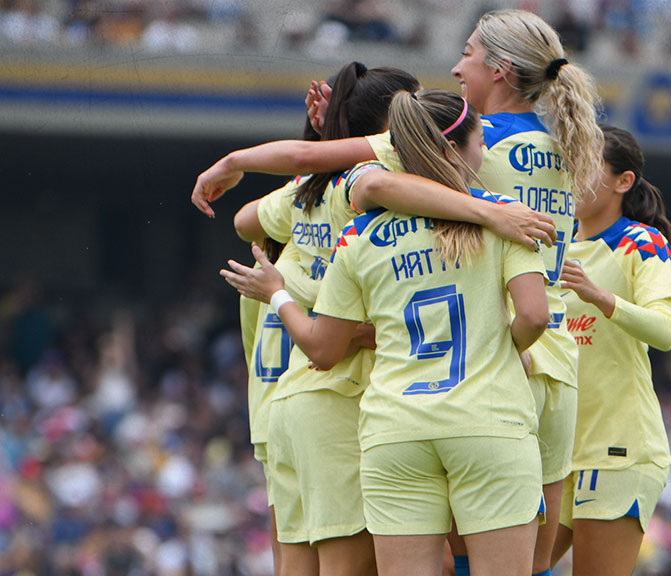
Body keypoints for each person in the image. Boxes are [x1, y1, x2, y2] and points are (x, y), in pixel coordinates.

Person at [191, 12, 604, 575]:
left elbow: (321, 168)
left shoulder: (458, 137)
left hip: (490, 368)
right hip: (557, 356)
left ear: (501, 71)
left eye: (468, 53)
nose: (456, 68)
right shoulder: (566, 146)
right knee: (529, 561)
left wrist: (235, 160)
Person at [221, 89, 549, 576]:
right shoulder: (505, 215)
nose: (485, 153)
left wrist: (278, 293)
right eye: (481, 141)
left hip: (394, 431)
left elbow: (322, 348)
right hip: (489, 421)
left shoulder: (358, 235)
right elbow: (535, 316)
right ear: (455, 149)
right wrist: (498, 350)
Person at [231, 62, 422, 576]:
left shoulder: (304, 196)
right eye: (416, 107)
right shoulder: (363, 188)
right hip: (334, 398)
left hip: (280, 406)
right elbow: (337, 342)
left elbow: (244, 219)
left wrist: (323, 143)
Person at [550, 125, 671, 576]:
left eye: (587, 168)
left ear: (623, 182)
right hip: (554, 448)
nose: (573, 178)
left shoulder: (642, 243)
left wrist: (600, 296)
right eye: (571, 167)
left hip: (618, 449)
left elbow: (664, 332)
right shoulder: (552, 243)